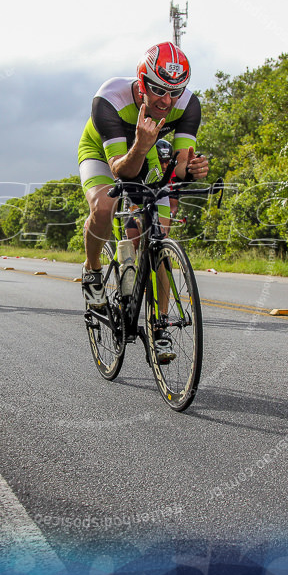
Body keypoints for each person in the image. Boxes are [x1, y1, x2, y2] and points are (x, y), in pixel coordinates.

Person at [77, 42, 209, 362]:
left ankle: (159, 328)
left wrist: (189, 171)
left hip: (144, 148)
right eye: (159, 90)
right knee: (105, 207)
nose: (166, 100)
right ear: (141, 80)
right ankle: (93, 272)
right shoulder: (110, 99)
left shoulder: (188, 106)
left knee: (157, 236)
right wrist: (138, 147)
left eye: (175, 92)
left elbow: (177, 168)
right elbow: (121, 170)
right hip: (103, 152)